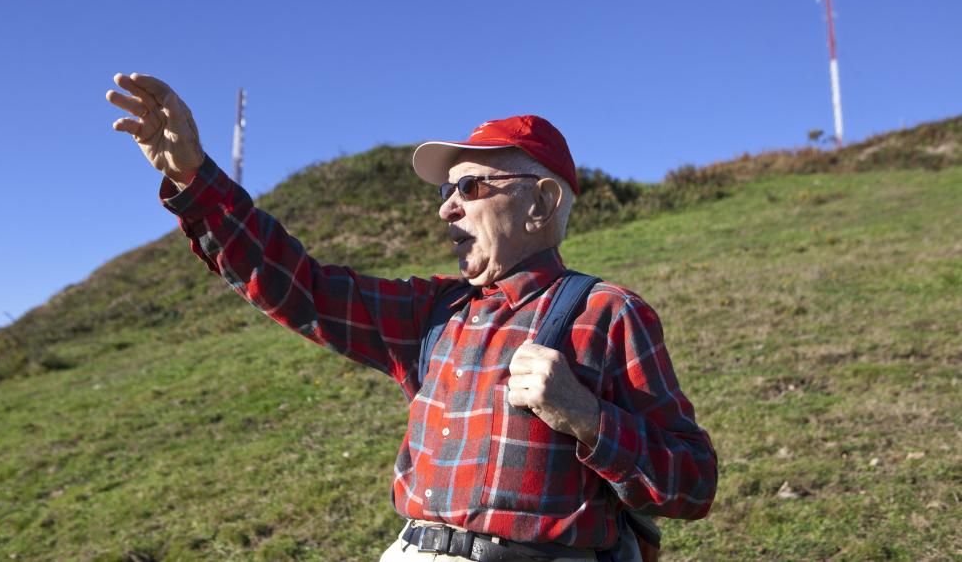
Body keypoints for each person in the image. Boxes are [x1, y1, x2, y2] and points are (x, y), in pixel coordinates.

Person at [106, 73, 717, 562]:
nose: (447, 208)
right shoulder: (433, 312)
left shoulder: (609, 313)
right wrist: (193, 177)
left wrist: (586, 418)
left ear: (542, 201)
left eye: (471, 187)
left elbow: (692, 482)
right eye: (445, 192)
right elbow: (305, 289)